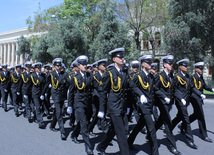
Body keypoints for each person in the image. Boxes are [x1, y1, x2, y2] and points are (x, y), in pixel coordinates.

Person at [96, 48, 144, 155]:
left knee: (113, 129)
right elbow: (103, 92)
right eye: (120, 57)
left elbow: (132, 85)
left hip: (122, 106)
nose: (122, 59)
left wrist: (141, 95)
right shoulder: (109, 73)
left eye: (123, 57)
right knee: (122, 133)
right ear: (114, 59)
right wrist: (101, 110)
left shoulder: (124, 72)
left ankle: (101, 147)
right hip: (113, 107)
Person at [128, 55, 159, 155]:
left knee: (139, 125)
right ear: (143, 64)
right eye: (148, 63)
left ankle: (129, 141)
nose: (150, 64)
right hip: (142, 106)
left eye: (151, 62)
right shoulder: (138, 76)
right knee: (151, 128)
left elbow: (153, 90)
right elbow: (133, 88)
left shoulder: (150, 76)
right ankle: (155, 152)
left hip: (149, 105)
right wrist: (140, 96)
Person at [180, 62, 213, 143]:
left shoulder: (200, 77)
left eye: (202, 69)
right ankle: (204, 135)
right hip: (194, 98)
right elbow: (192, 88)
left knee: (196, 115)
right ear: (196, 69)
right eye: (200, 68)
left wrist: (211, 89)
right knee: (201, 116)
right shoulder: (193, 77)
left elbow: (204, 86)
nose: (201, 70)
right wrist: (200, 95)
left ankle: (183, 125)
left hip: (199, 98)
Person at [154, 55, 181, 155]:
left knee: (161, 120)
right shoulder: (159, 76)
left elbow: (173, 89)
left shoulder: (171, 76)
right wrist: (164, 97)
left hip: (169, 103)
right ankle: (172, 146)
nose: (171, 65)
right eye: (169, 64)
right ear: (165, 65)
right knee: (168, 123)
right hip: (162, 102)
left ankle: (150, 133)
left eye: (172, 64)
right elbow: (156, 89)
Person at [67, 55, 94, 155]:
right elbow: (71, 92)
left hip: (88, 103)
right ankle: (88, 147)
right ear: (78, 66)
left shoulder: (90, 76)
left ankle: (74, 134)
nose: (84, 66)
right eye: (82, 64)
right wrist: (69, 106)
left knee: (83, 122)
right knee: (84, 125)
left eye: (85, 64)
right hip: (79, 104)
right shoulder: (75, 78)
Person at [171, 59, 197, 149]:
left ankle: (169, 128)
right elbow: (175, 90)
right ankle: (190, 140)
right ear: (180, 67)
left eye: (187, 66)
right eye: (185, 66)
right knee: (186, 119)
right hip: (180, 101)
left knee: (179, 117)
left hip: (186, 101)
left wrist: (200, 94)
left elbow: (192, 88)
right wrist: (181, 98)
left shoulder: (188, 77)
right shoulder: (177, 77)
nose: (186, 67)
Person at [47, 58, 68, 140]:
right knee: (59, 113)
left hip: (62, 96)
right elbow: (46, 85)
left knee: (58, 111)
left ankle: (52, 125)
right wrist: (44, 94)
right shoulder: (51, 74)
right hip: (55, 96)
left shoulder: (64, 74)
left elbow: (68, 83)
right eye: (57, 66)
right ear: (54, 66)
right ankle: (62, 132)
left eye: (60, 65)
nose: (58, 67)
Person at [88, 58, 109, 135]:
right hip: (96, 97)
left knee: (100, 114)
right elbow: (94, 87)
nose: (105, 67)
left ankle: (91, 128)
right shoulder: (95, 76)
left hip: (103, 97)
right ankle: (105, 129)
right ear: (99, 66)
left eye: (105, 65)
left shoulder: (106, 75)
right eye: (103, 65)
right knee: (98, 114)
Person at [31, 62, 46, 129]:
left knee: (40, 106)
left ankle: (35, 116)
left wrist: (44, 93)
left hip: (41, 93)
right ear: (35, 69)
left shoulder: (43, 75)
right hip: (35, 93)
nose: (39, 69)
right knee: (37, 107)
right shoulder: (32, 76)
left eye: (40, 68)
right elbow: (29, 85)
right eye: (38, 68)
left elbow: (44, 84)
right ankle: (41, 122)